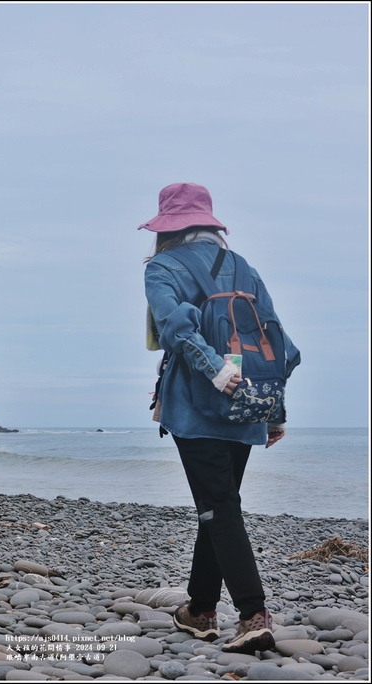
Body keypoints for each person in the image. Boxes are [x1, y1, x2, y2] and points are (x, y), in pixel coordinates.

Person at [141, 182, 300, 654]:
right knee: (220, 502)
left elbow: (175, 329)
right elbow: (279, 342)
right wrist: (274, 411)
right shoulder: (243, 267)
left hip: (198, 406)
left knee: (219, 507)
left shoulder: (163, 266)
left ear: (168, 227)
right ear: (210, 224)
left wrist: (214, 372)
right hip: (249, 402)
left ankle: (253, 614)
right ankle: (200, 609)